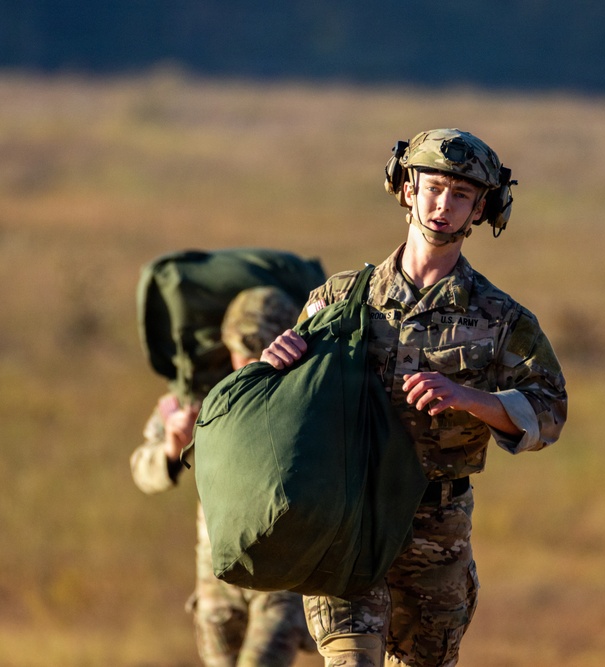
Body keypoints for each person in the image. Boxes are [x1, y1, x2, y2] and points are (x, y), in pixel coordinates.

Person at [261, 128, 568, 667]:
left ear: (482, 210)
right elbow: (283, 408)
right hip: (347, 524)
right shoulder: (338, 299)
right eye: (431, 189)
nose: (442, 206)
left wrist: (470, 399)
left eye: (461, 195)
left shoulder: (503, 320)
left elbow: (549, 411)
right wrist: (274, 365)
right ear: (405, 189)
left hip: (436, 537)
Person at [131, 286, 317, 667]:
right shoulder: (198, 397)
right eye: (240, 351)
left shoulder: (308, 395)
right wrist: (172, 447)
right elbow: (141, 470)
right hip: (217, 586)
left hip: (280, 582)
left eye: (259, 350)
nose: (248, 361)